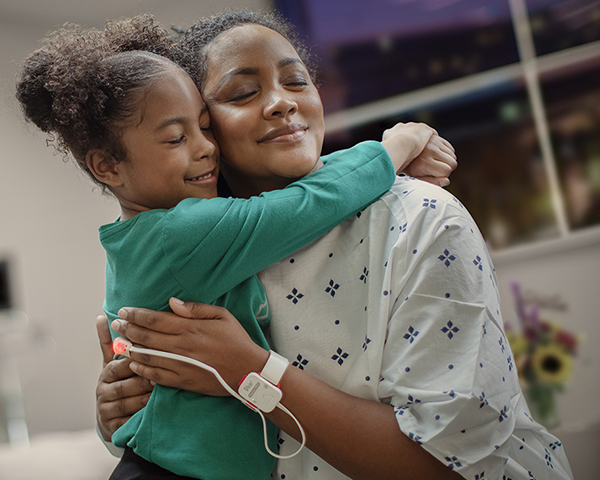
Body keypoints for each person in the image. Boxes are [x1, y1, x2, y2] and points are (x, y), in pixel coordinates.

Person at [97, 10, 574, 480]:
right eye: (243, 92)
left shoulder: (420, 218)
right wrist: (121, 409)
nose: (282, 102)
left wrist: (248, 371)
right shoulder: (201, 251)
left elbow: (449, 465)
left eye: (298, 81)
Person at [16, 15, 455, 480]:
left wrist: (115, 415)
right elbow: (306, 206)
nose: (205, 147)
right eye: (175, 138)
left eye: (204, 128)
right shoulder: (181, 234)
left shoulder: (144, 238)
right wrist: (394, 145)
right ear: (107, 166)